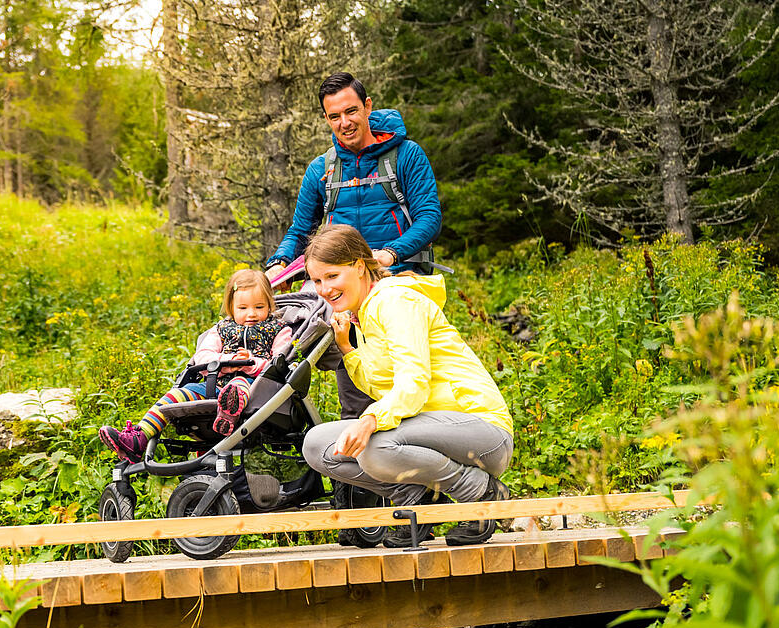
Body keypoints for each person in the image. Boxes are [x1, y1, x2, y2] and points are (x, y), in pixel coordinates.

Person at [301, 225, 514, 547]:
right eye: (317, 280)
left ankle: (479, 491)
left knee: (374, 447)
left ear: (359, 266)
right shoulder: (365, 313)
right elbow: (383, 387)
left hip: (479, 430)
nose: (324, 289)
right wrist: (347, 349)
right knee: (318, 446)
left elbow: (412, 383)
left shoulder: (395, 301)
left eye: (332, 276)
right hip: (428, 434)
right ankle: (416, 493)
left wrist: (370, 420)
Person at [99, 269, 293, 462]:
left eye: (259, 307)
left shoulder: (278, 329)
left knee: (239, 384)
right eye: (243, 308)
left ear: (270, 305)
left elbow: (278, 363)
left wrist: (250, 362)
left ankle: (228, 415)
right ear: (231, 307)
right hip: (214, 385)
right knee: (177, 394)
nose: (251, 314)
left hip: (254, 387)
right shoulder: (220, 330)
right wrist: (228, 361)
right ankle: (138, 438)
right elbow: (202, 357)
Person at [266, 72, 442, 281]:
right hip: (337, 283)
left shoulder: (407, 155)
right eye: (335, 116)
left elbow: (429, 217)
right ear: (326, 119)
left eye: (351, 111)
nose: (345, 122)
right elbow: (301, 232)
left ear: (367, 106)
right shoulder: (320, 169)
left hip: (397, 275)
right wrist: (280, 263)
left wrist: (390, 254)